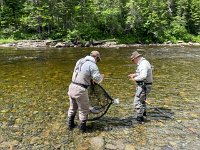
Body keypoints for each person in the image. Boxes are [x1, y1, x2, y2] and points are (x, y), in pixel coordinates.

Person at [67, 51, 104, 132]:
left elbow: (82, 73)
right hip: (80, 89)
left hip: (71, 86)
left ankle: (70, 126)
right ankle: (82, 129)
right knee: (84, 110)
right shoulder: (92, 65)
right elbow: (97, 79)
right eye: (98, 60)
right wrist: (101, 77)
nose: (97, 62)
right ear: (96, 57)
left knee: (72, 108)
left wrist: (90, 78)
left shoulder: (80, 60)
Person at [128, 51, 153, 124]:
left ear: (136, 58)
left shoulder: (143, 64)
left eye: (133, 60)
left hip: (144, 85)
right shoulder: (144, 62)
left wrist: (134, 79)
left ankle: (140, 119)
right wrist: (135, 74)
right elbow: (141, 73)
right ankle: (144, 114)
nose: (133, 62)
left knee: (137, 101)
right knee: (142, 100)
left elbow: (143, 76)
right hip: (146, 85)